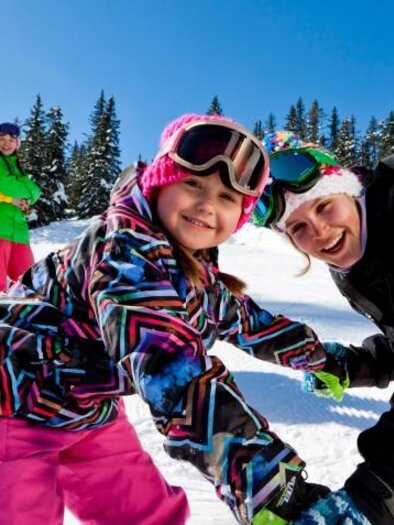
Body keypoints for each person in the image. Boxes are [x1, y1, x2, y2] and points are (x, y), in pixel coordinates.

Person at [0, 113, 337, 525]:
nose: (206, 204)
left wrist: (320, 357)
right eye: (193, 184)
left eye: (227, 198)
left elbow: (250, 322)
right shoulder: (123, 250)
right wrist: (261, 477)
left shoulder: (197, 275)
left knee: (149, 514)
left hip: (88, 410)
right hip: (13, 408)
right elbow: (168, 365)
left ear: (240, 217)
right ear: (160, 182)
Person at [253, 131, 394, 524]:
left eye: (325, 206)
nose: (318, 232)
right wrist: (354, 365)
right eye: (297, 228)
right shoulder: (353, 261)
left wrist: (375, 497)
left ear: (347, 187)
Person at [0, 122, 41, 291]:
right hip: (1, 228)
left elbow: (36, 193)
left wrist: (23, 192)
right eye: (2, 139)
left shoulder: (18, 167)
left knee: (28, 280)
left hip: (19, 232)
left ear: (17, 143)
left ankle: (28, 313)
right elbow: (7, 184)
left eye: (11, 139)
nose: (6, 143)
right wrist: (16, 194)